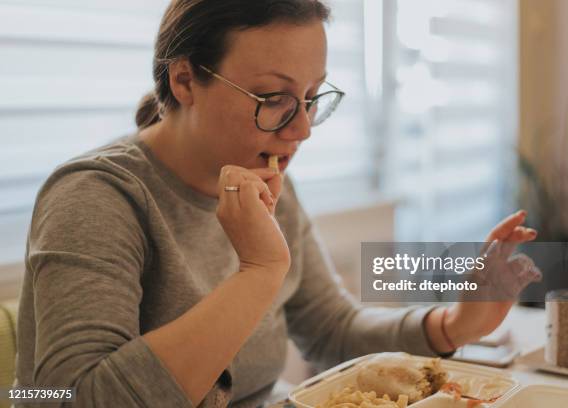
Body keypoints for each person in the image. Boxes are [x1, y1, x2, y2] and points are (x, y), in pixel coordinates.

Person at [14, 1, 539, 407]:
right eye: (273, 99)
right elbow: (72, 396)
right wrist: (258, 272)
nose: (303, 128)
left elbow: (331, 329)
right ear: (184, 79)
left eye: (311, 98)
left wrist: (451, 326)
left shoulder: (262, 173)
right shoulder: (97, 197)